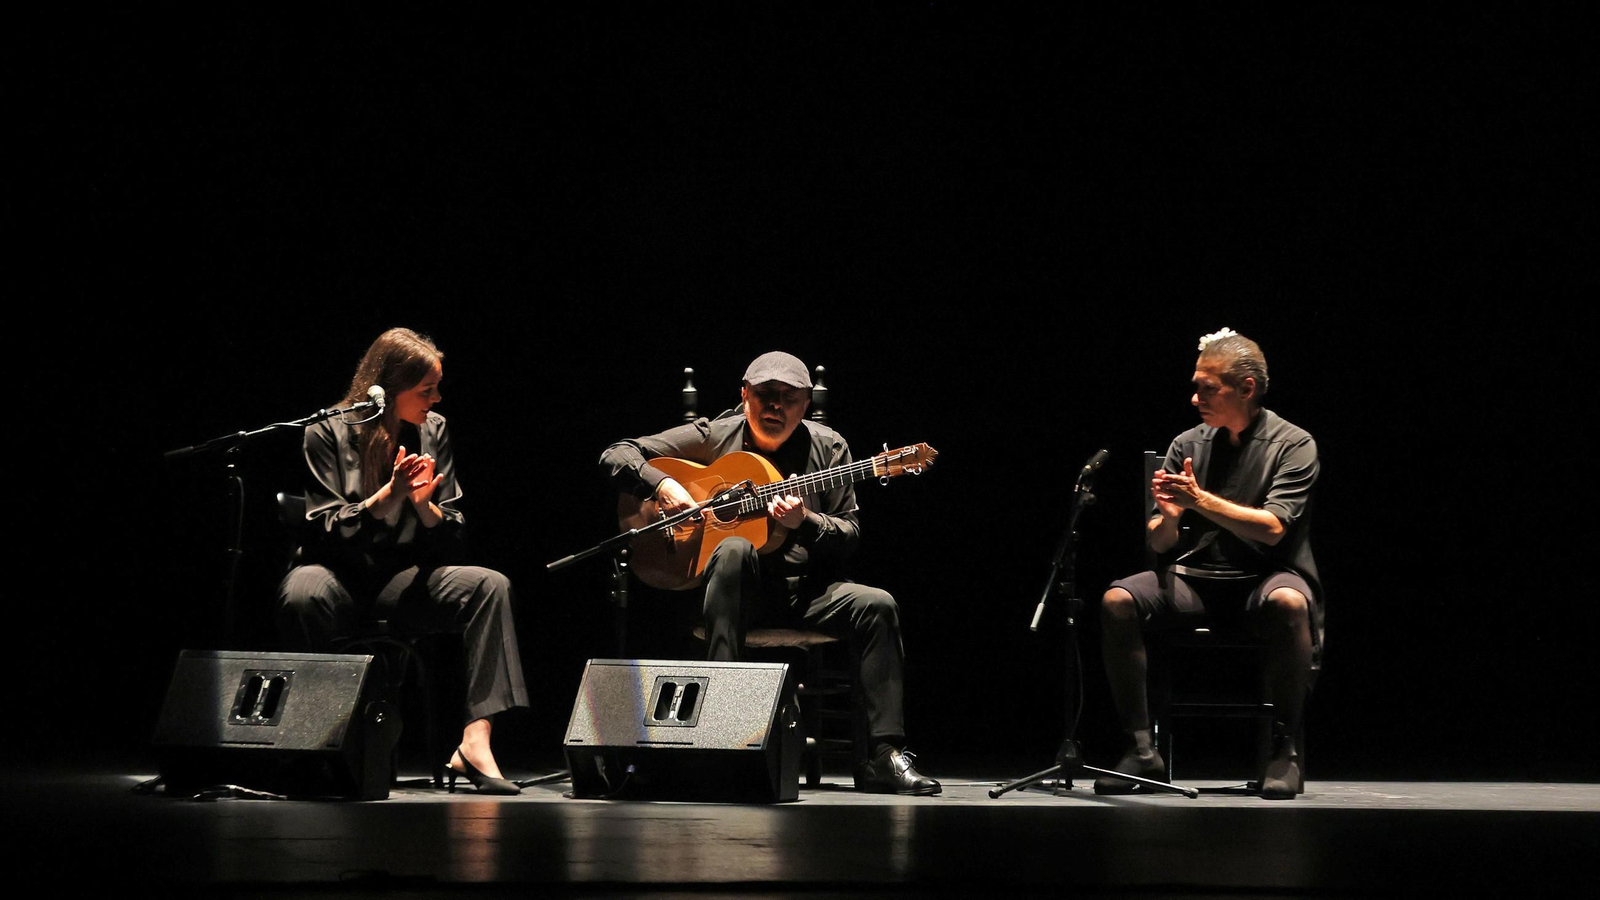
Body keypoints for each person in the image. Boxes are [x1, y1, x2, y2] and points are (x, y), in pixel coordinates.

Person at [599, 351, 940, 796]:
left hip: (806, 593)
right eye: (765, 394)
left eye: (789, 398)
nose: (776, 406)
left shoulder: (830, 448)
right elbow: (616, 454)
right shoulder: (713, 435)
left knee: (877, 604)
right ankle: (719, 734)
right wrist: (662, 484)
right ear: (745, 396)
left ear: (805, 405)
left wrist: (806, 521)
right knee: (735, 548)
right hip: (729, 598)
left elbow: (850, 533)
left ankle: (882, 757)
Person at [277, 327, 528, 795]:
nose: (436, 398)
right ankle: (319, 743)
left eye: (436, 388)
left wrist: (424, 506)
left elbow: (452, 532)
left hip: (402, 579)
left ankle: (475, 742)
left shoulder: (434, 430)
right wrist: (388, 496)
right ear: (389, 388)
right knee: (301, 592)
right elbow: (325, 527)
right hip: (336, 574)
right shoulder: (327, 430)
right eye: (426, 389)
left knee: (489, 585)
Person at [1097, 328, 1321, 800]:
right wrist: (1170, 518)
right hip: (1196, 581)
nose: (1195, 397)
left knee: (1290, 603)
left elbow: (1273, 528)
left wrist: (1198, 500)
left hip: (1264, 579)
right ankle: (1142, 749)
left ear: (1247, 388)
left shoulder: (1293, 444)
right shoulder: (1187, 443)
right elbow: (1160, 542)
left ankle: (1284, 750)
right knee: (1117, 599)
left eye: (1208, 388)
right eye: (1195, 386)